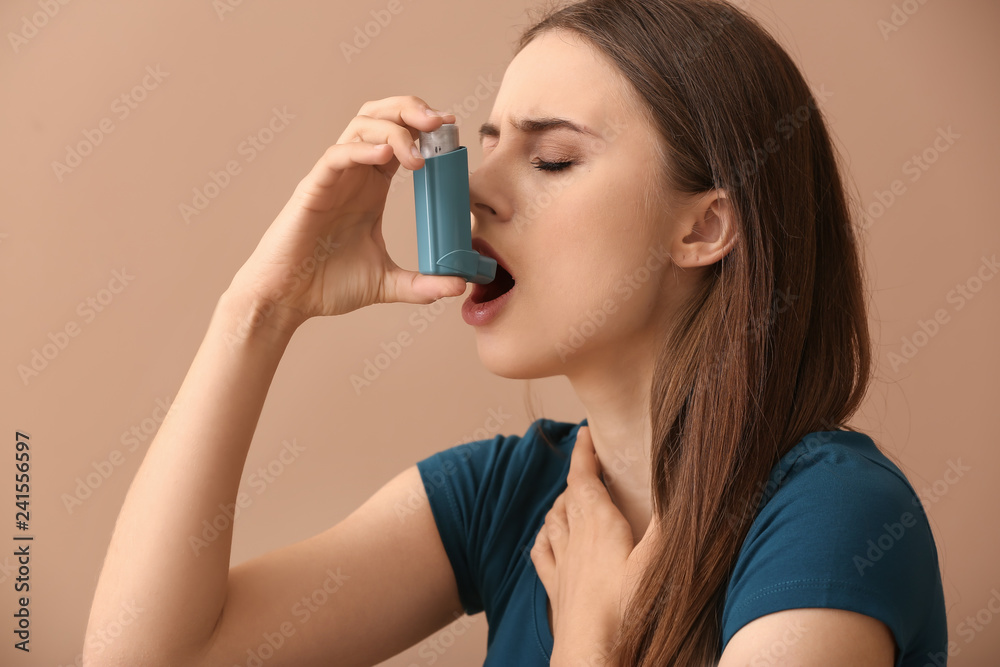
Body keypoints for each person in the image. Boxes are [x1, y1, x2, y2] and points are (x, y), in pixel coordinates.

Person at [84, 0, 948, 665]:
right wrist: (258, 310)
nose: (472, 192)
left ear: (705, 228)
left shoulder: (831, 516)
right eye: (485, 145)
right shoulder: (501, 496)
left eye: (551, 160)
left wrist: (584, 644)